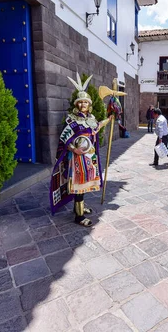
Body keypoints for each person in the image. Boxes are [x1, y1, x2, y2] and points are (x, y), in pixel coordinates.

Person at [49, 73, 110, 227]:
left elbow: (96, 128)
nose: (83, 105)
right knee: (79, 186)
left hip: (89, 157)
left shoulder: (91, 119)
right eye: (81, 102)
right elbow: (64, 139)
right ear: (77, 104)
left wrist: (110, 119)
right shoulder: (71, 120)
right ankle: (79, 216)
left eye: (86, 102)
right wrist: (73, 149)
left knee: (85, 185)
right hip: (76, 159)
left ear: (89, 105)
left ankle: (80, 208)